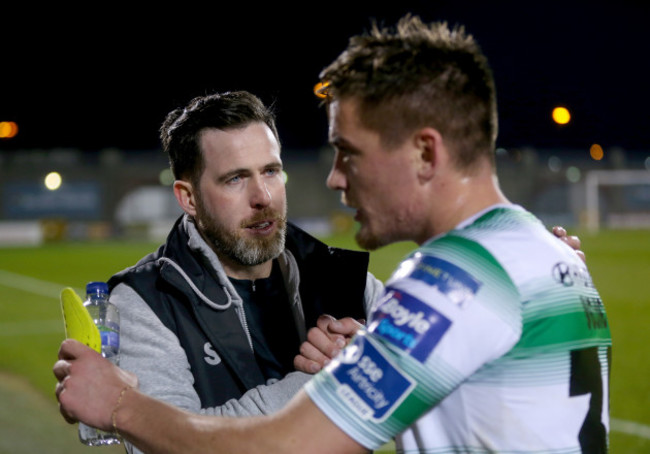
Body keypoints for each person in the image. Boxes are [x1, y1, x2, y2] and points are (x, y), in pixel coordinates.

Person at [54, 15, 610, 454]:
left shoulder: (446, 286)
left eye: (348, 152)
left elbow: (283, 444)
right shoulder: (542, 254)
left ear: (424, 151)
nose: (333, 177)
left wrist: (120, 405)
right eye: (235, 178)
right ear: (189, 196)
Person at [105, 91, 384, 453]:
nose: (263, 196)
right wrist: (330, 382)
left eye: (271, 171)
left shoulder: (342, 276)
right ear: (188, 198)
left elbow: (437, 390)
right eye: (235, 179)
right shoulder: (145, 302)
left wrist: (375, 362)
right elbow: (162, 443)